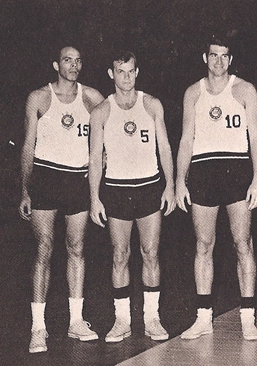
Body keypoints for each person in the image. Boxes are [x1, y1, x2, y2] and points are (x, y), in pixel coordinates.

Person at [175, 35, 257, 341]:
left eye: (224, 56)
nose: (218, 61)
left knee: (243, 243)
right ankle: (203, 318)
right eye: (214, 55)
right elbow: (186, 139)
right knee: (203, 245)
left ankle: (248, 317)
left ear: (231, 60)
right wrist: (179, 181)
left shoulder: (245, 90)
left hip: (237, 169)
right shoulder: (192, 93)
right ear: (205, 58)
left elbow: (256, 137)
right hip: (202, 170)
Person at [19, 46, 105, 353]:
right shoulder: (39, 97)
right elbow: (28, 146)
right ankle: (38, 328)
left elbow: (117, 119)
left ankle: (76, 321)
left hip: (77, 180)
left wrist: (103, 156)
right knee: (44, 248)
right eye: (67, 60)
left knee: (76, 248)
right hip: (45, 177)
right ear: (57, 64)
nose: (74, 65)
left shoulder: (92, 98)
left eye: (79, 60)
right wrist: (26, 189)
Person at [88, 51, 175, 343]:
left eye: (131, 71)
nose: (127, 77)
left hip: (149, 187)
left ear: (138, 72)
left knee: (150, 253)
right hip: (116, 189)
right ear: (111, 74)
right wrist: (94, 199)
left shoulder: (151, 105)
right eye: (121, 72)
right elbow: (93, 159)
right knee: (119, 255)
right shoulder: (101, 110)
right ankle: (122, 320)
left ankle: (152, 318)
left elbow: (165, 148)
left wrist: (170, 185)